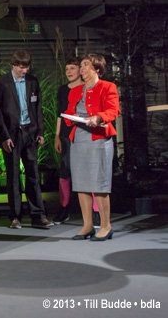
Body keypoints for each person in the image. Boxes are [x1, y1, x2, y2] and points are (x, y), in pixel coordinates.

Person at [0, 50, 52, 229]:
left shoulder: (33, 82)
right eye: (21, 67)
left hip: (30, 132)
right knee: (13, 176)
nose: (24, 70)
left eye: (26, 67)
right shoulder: (1, 82)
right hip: (11, 135)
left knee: (33, 174)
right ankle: (15, 216)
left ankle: (37, 215)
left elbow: (38, 107)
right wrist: (4, 137)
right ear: (13, 65)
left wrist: (40, 131)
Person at [65, 54, 120, 241]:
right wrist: (69, 117)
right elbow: (71, 111)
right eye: (81, 65)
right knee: (81, 184)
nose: (82, 68)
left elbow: (114, 110)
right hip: (79, 138)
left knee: (99, 183)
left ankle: (106, 225)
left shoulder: (108, 87)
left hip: (98, 138)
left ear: (97, 68)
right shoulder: (75, 91)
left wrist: (99, 117)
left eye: (86, 65)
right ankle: (87, 225)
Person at [53, 57, 101, 225]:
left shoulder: (87, 88)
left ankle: (95, 211)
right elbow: (60, 114)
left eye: (72, 68)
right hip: (66, 135)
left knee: (89, 171)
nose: (69, 72)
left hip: (84, 133)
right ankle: (63, 208)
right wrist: (57, 136)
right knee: (65, 170)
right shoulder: (62, 90)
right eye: (67, 69)